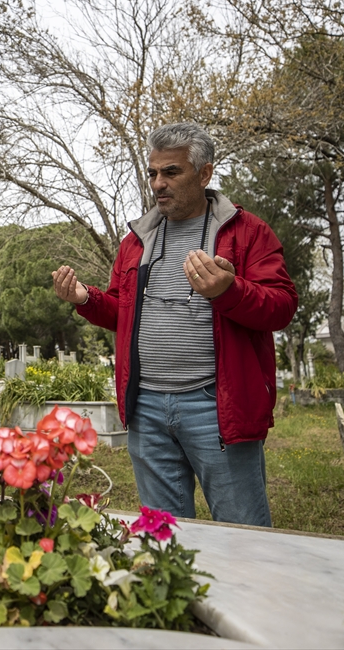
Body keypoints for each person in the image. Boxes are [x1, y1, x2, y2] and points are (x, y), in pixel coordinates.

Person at [52, 123, 297, 526]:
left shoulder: (248, 232)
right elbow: (123, 313)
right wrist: (85, 298)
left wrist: (228, 290)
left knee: (244, 534)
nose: (158, 184)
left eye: (171, 172)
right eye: (153, 174)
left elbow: (282, 306)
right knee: (164, 537)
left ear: (204, 174)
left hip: (216, 407)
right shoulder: (137, 240)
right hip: (146, 409)